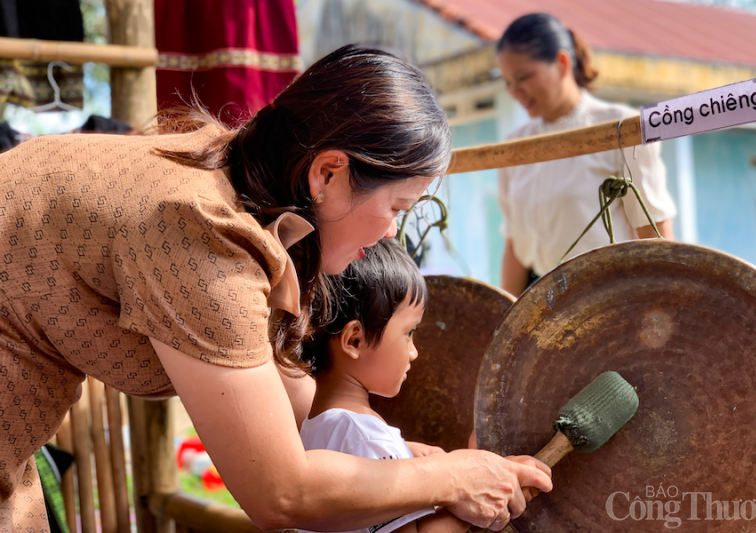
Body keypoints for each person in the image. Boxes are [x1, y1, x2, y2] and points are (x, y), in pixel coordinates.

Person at [0, 45, 553, 533]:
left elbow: (289, 408)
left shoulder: (230, 183)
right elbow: (281, 493)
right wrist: (446, 478)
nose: (391, 232)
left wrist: (402, 460)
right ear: (327, 175)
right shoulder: (197, 234)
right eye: (396, 208)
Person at [299, 238, 484, 533]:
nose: (414, 352)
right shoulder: (366, 437)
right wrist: (470, 484)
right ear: (354, 340)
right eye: (408, 333)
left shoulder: (313, 425)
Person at [495, 14, 677, 296]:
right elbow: (515, 244)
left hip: (610, 296)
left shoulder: (621, 129)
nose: (514, 92)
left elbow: (652, 228)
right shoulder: (514, 146)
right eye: (507, 82)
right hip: (540, 303)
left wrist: (662, 306)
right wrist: (505, 321)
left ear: (562, 64)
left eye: (523, 77)